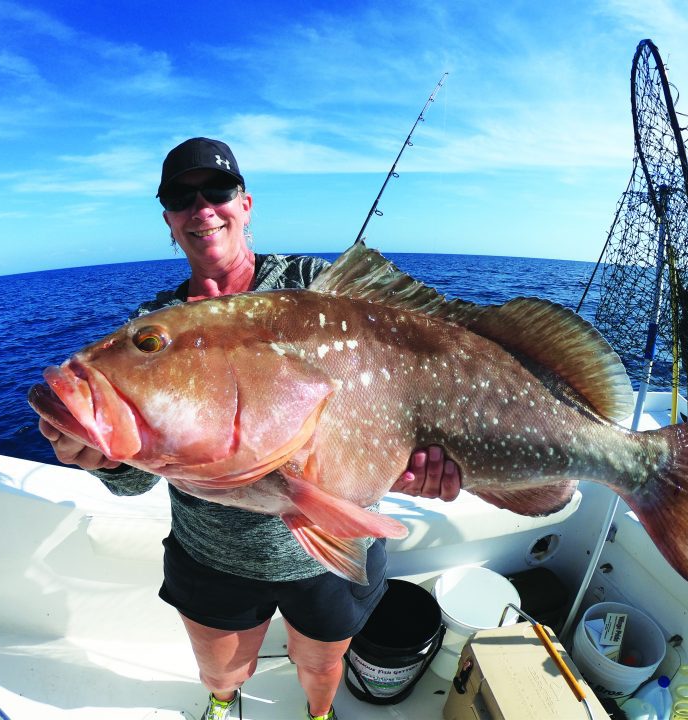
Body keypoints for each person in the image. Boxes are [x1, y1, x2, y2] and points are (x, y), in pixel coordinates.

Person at [38, 137, 462, 720]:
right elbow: (137, 481)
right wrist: (106, 458)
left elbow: (412, 381)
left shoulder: (316, 285)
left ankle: (318, 715)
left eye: (218, 191)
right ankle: (220, 705)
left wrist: (410, 463)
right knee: (222, 671)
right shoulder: (154, 318)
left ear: (245, 204)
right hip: (213, 559)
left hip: (330, 556)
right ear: (167, 219)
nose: (202, 207)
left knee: (321, 666)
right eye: (180, 197)